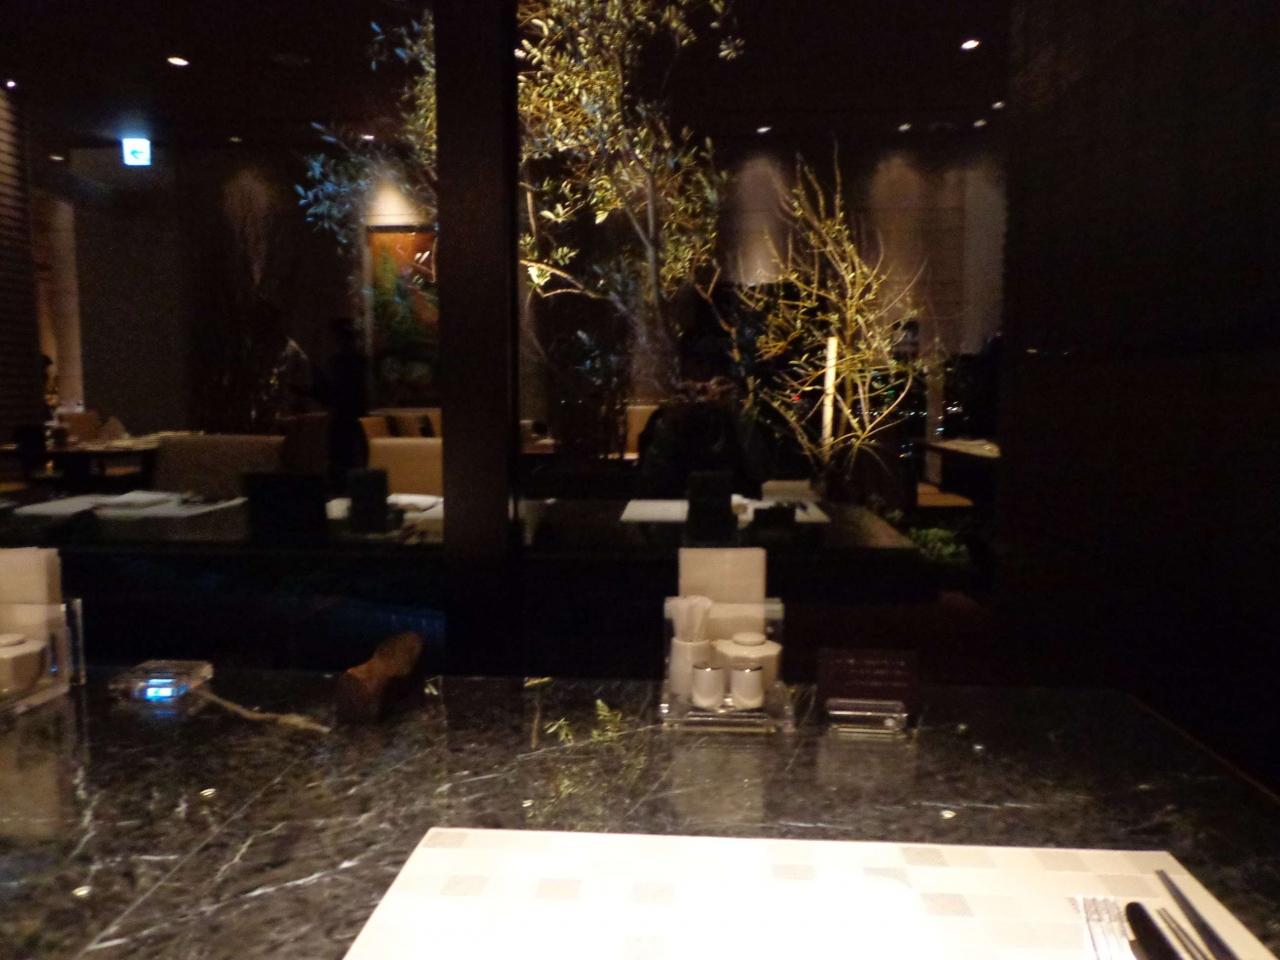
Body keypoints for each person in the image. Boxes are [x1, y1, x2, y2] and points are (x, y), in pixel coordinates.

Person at [318, 317, 369, 480]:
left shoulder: (339, 363)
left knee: (342, 457)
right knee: (352, 456)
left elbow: (333, 393)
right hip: (355, 414)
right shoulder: (360, 361)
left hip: (344, 415)